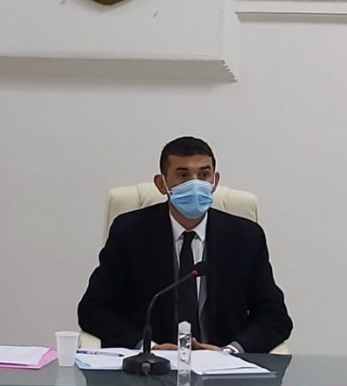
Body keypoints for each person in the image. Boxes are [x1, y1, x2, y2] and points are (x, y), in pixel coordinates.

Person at [77, 136, 292, 353]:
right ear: (161, 184)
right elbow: (93, 309)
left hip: (222, 363)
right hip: (153, 363)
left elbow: (275, 317)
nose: (195, 184)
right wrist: (148, 347)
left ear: (215, 181)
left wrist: (230, 352)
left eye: (204, 175)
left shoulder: (245, 237)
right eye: (183, 175)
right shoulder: (129, 232)